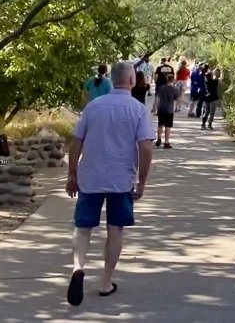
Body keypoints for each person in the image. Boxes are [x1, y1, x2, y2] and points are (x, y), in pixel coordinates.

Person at [65, 61, 155, 306]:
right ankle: (105, 282)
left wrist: (72, 175)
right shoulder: (137, 109)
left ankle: (77, 268)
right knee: (115, 229)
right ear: (132, 80)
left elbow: (76, 143)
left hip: (90, 177)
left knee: (83, 227)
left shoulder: (93, 107)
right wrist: (142, 180)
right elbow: (146, 147)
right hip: (121, 179)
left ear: (113, 79)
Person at [154, 73, 178, 148]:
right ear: (173, 80)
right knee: (168, 126)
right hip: (169, 109)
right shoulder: (174, 89)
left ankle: (158, 139)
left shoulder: (161, 88)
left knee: (160, 125)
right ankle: (166, 142)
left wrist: (155, 107)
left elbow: (157, 98)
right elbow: (176, 98)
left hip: (161, 109)